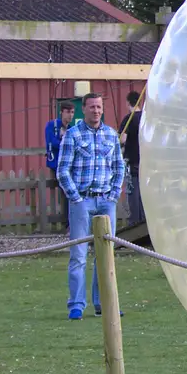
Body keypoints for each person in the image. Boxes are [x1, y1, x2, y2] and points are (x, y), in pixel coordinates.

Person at [56, 93, 125, 320]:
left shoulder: (110, 135)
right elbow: (62, 170)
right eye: (92, 107)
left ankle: (102, 303)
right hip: (82, 200)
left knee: (105, 255)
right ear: (83, 109)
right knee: (78, 255)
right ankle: (76, 305)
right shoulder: (73, 135)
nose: (96, 111)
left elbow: (119, 167)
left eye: (99, 107)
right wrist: (75, 198)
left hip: (106, 201)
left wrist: (114, 194)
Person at [44, 101, 76, 231]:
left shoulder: (71, 128)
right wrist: (64, 140)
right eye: (68, 112)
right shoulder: (52, 126)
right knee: (68, 192)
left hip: (71, 165)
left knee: (73, 193)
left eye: (72, 112)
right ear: (61, 112)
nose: (70, 115)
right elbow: (52, 142)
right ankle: (68, 223)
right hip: (58, 164)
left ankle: (72, 222)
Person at [119, 90, 144, 228]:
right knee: (144, 192)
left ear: (128, 102)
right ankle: (144, 222)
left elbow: (123, 139)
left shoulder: (129, 119)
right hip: (145, 161)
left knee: (133, 192)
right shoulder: (146, 118)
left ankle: (135, 222)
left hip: (132, 160)